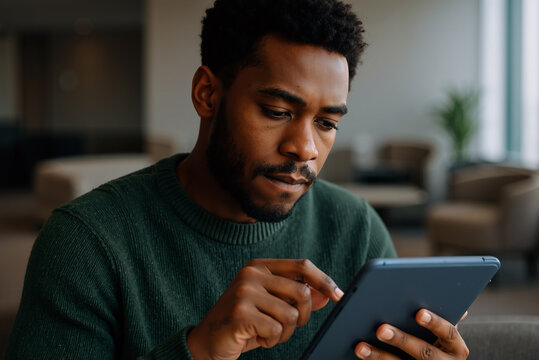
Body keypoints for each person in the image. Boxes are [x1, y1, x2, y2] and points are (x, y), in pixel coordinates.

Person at [6, 0, 470, 359]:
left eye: (326, 123)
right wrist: (200, 349)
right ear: (207, 93)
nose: (305, 148)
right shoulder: (86, 244)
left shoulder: (357, 227)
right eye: (277, 111)